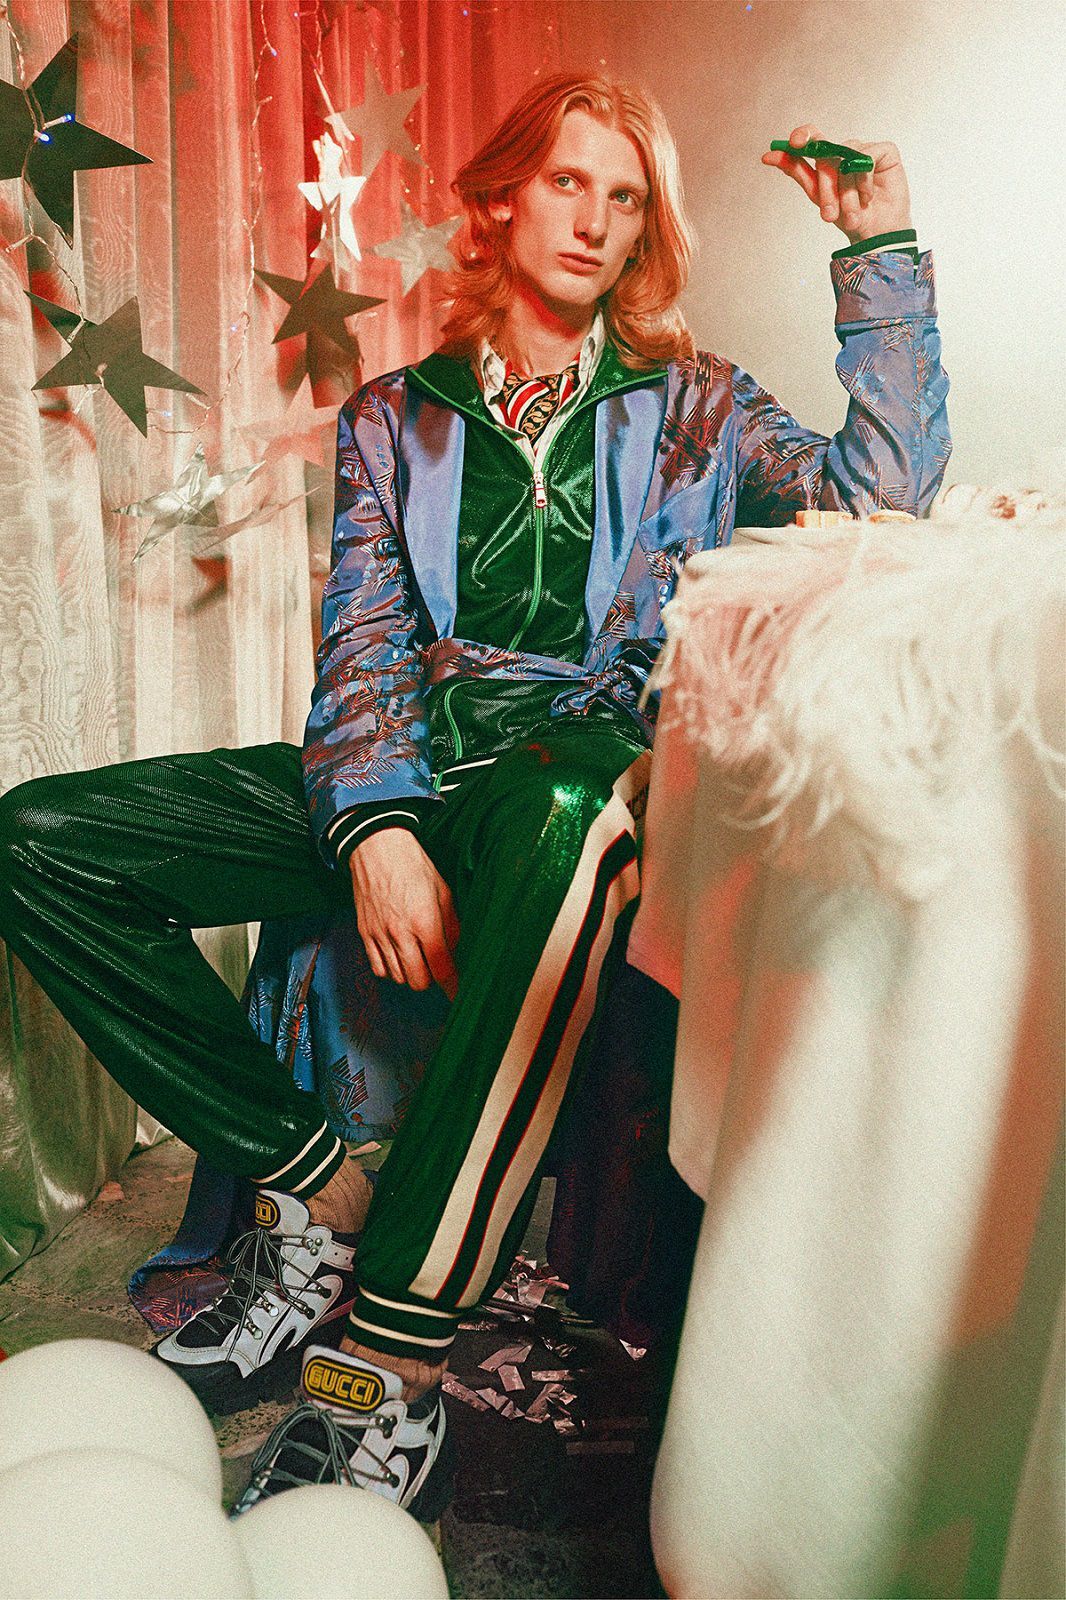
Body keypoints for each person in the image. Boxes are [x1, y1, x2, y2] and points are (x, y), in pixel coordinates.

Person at [0, 72, 950, 1518]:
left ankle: (390, 1361)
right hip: (405, 759)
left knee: (578, 821)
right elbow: (364, 638)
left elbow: (882, 501)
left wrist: (878, 250)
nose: (596, 220)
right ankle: (315, 1180)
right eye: (569, 182)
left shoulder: (696, 407)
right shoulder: (397, 414)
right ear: (502, 198)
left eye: (624, 198)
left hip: (570, 772)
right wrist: (375, 825)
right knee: (42, 841)